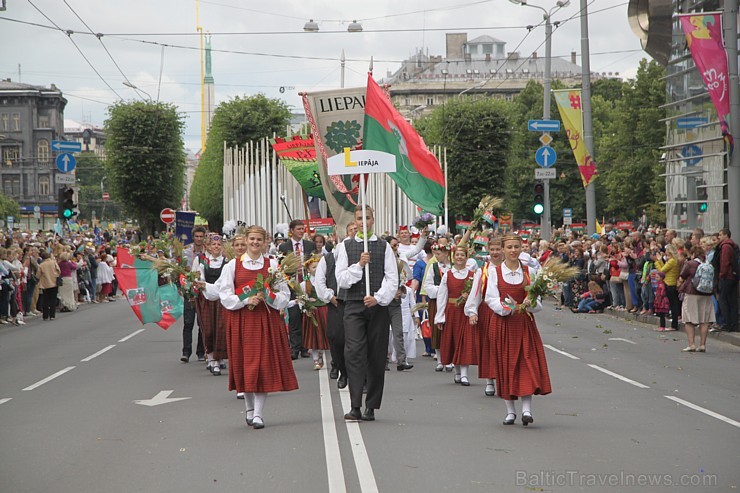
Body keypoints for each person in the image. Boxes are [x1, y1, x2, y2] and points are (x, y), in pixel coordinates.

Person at [214, 225, 298, 429]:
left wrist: (269, 297)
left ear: (265, 242)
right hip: (242, 320)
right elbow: (224, 295)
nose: (254, 243)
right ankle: (250, 409)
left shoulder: (273, 265)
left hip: (266, 320)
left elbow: (284, 295)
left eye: (259, 240)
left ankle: (259, 414)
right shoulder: (232, 266)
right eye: (252, 239)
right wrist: (245, 300)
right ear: (247, 240)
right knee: (246, 366)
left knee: (262, 367)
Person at [335, 205, 398, 422]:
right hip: (353, 305)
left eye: (368, 218)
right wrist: (359, 265)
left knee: (376, 355)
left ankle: (371, 406)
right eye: (360, 218)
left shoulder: (383, 247)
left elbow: (392, 278)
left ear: (373, 219)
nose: (364, 222)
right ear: (355, 221)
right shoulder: (345, 246)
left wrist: (378, 298)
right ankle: (355, 405)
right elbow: (341, 279)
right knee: (354, 353)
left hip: (377, 307)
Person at [485, 234, 551, 426]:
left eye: (516, 247)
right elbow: (490, 298)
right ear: (503, 250)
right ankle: (510, 411)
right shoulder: (495, 272)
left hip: (524, 323)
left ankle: (527, 410)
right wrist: (506, 308)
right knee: (506, 365)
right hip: (504, 324)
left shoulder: (530, 271)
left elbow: (539, 303)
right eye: (510, 247)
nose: (513, 250)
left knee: (526, 363)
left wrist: (530, 304)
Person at [313, 222, 355, 389]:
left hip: (354, 302)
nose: (353, 234)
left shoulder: (360, 255)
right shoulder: (330, 258)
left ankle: (355, 375)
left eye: (356, 231)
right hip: (336, 303)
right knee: (335, 337)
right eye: (351, 230)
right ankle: (339, 367)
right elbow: (319, 280)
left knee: (353, 340)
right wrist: (329, 297)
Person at [435, 244, 479, 386]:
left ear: (467, 258)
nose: (460, 257)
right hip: (452, 311)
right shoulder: (447, 275)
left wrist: (472, 309)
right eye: (457, 255)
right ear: (453, 258)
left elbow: (477, 295)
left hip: (465, 312)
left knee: (465, 341)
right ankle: (458, 372)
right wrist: (440, 317)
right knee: (454, 341)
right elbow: (442, 296)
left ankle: (465, 374)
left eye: (463, 255)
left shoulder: (472, 276)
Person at [466, 237, 503, 396]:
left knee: (503, 347)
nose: (495, 253)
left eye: (498, 249)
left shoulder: (510, 269)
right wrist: (472, 311)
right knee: (488, 346)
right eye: (492, 250)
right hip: (488, 311)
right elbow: (476, 292)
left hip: (507, 311)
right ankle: (490, 380)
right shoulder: (483, 270)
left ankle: (503, 379)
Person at [278, 219, 317, 360]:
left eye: (303, 229)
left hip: (306, 283)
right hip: (292, 284)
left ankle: (305, 347)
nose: (302, 231)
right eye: (299, 229)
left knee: (306, 315)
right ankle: (294, 348)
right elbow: (281, 266)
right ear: (292, 230)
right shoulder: (284, 247)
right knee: (294, 317)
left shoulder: (310, 245)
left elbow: (315, 262)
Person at [194, 233, 228, 375]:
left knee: (221, 328)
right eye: (213, 244)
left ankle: (218, 357)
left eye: (218, 244)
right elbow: (196, 277)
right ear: (207, 246)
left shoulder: (226, 261)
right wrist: (202, 286)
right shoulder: (201, 260)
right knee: (208, 329)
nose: (216, 247)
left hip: (221, 299)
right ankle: (211, 357)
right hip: (206, 299)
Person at [422, 238, 452, 371]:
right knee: (437, 330)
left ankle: (450, 359)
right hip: (436, 301)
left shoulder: (452, 267)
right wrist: (441, 290)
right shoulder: (433, 267)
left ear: (446, 253)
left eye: (439, 254)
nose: (436, 256)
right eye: (435, 254)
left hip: (450, 301)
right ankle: (440, 359)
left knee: (450, 329)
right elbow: (427, 285)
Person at [678, 246, 715, 352]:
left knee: (689, 319)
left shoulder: (690, 264)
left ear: (693, 254)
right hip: (707, 294)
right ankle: (702, 344)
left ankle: (691, 344)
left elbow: (682, 277)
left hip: (692, 293)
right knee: (704, 320)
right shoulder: (709, 264)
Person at [298, 254, 330, 370]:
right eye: (313, 267)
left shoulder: (325, 281)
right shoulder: (304, 284)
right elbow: (302, 298)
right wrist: (305, 305)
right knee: (314, 337)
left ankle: (321, 355)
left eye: (318, 267)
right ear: (308, 270)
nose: (316, 269)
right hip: (312, 312)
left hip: (324, 310)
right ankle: (316, 359)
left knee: (324, 335)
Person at [181, 226, 207, 363]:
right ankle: (186, 352)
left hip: (202, 291)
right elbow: (179, 270)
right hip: (189, 291)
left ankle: (201, 352)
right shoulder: (185, 253)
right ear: (193, 237)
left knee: (201, 323)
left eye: (201, 236)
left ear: (204, 237)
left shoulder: (207, 253)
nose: (199, 239)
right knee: (188, 322)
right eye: (196, 236)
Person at [712, 229, 738, 332]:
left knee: (723, 299)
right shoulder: (732, 246)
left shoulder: (725, 247)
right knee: (732, 300)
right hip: (732, 276)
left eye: (721, 235)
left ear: (726, 235)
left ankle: (728, 323)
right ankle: (734, 323)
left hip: (726, 277)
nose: (719, 237)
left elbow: (725, 262)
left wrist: (721, 275)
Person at [654, 245, 681, 331]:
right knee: (673, 304)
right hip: (671, 283)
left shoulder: (672, 261)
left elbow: (661, 271)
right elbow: (664, 268)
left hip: (669, 283)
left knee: (672, 305)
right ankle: (674, 323)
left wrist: (657, 261)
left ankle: (674, 324)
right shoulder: (674, 261)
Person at [37, 250, 60, 321]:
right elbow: (59, 270)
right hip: (54, 282)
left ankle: (45, 315)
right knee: (53, 299)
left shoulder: (41, 265)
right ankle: (52, 315)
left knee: (45, 300)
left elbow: (38, 275)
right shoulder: (53, 262)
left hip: (45, 284)